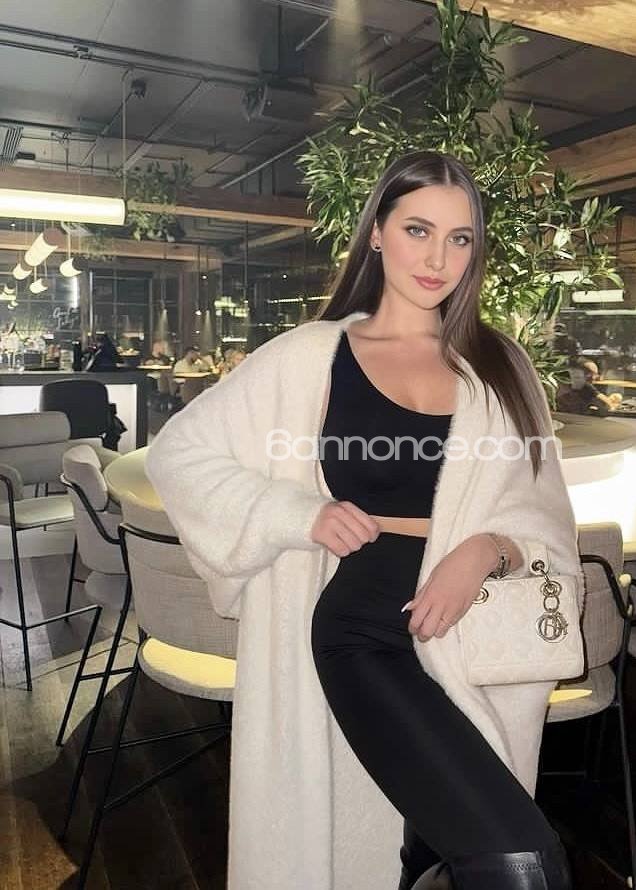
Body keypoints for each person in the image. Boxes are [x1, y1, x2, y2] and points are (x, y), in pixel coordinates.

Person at [145, 151, 581, 890]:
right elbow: (179, 453)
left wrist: (487, 549)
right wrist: (297, 512)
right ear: (377, 232)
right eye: (418, 230)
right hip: (362, 627)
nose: (437, 259)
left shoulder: (501, 365)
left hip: (468, 623)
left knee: (433, 850)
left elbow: (545, 516)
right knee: (520, 859)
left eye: (459, 238)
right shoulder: (311, 356)